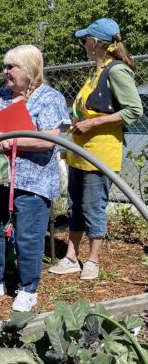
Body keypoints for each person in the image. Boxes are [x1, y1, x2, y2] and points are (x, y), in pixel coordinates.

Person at [0, 45, 66, 312]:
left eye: (11, 67)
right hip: (1, 176)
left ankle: (27, 289)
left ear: (30, 69)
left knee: (28, 236)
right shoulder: (2, 95)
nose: (5, 72)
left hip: (33, 180)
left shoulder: (49, 98)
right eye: (5, 66)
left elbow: (50, 138)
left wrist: (11, 140)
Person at [48, 19, 142, 281]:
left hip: (100, 155)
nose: (83, 44)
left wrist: (94, 122)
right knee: (75, 206)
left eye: (86, 39)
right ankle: (70, 257)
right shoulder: (96, 71)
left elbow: (135, 110)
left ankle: (92, 261)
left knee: (93, 207)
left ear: (96, 42)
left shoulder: (117, 71)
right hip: (80, 152)